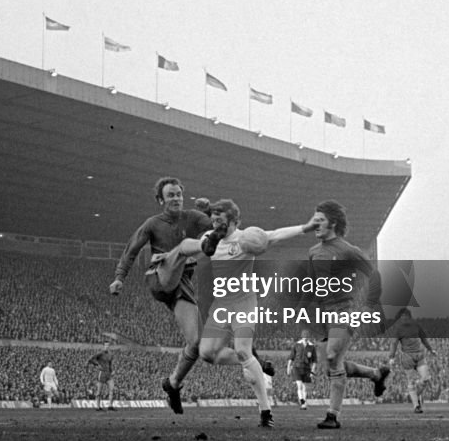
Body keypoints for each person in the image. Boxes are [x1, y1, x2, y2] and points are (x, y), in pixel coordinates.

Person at [167, 199, 317, 427]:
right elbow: (189, 247)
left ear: (235, 221)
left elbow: (275, 234)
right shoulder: (211, 239)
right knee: (207, 353)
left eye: (221, 221)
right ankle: (252, 362)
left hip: (244, 303)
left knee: (243, 350)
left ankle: (265, 412)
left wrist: (305, 228)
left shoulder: (246, 238)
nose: (216, 224)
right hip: (222, 304)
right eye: (214, 220)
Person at [109, 177, 212, 415]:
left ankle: (173, 384)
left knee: (196, 343)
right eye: (171, 195)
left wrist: (209, 210)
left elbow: (217, 225)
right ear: (160, 199)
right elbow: (131, 250)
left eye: (179, 194)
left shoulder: (193, 217)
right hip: (160, 277)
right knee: (186, 246)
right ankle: (182, 253)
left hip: (181, 284)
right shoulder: (152, 224)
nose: (176, 198)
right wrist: (119, 278)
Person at [305, 199, 390, 430]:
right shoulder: (313, 252)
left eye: (320, 220)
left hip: (344, 311)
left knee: (333, 357)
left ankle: (332, 416)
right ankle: (375, 374)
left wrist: (369, 305)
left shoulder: (348, 251)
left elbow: (374, 275)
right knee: (332, 365)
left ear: (332, 223)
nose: (315, 224)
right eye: (314, 220)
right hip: (321, 316)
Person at [387, 308, 435, 413]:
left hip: (420, 356)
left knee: (426, 379)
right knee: (411, 381)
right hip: (407, 357)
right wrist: (392, 357)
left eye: (405, 317)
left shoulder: (416, 326)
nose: (403, 319)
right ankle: (416, 406)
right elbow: (394, 343)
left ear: (409, 317)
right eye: (401, 317)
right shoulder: (398, 329)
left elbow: (424, 339)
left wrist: (431, 349)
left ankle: (415, 396)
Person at [287, 329, 318, 410]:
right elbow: (291, 357)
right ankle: (303, 402)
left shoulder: (312, 346)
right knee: (299, 385)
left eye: (307, 338)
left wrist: (313, 371)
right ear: (302, 338)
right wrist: (288, 367)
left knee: (305, 387)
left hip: (307, 368)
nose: (305, 339)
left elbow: (314, 361)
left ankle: (303, 403)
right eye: (304, 338)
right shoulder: (297, 345)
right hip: (297, 367)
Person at [87, 341, 115, 411]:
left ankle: (110, 406)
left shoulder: (110, 354)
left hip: (108, 374)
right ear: (103, 346)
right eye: (105, 345)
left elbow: (110, 364)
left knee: (112, 389)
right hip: (101, 373)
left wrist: (112, 371)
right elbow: (91, 359)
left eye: (108, 345)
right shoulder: (100, 353)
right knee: (99, 391)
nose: (107, 346)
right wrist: (97, 364)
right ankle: (97, 406)